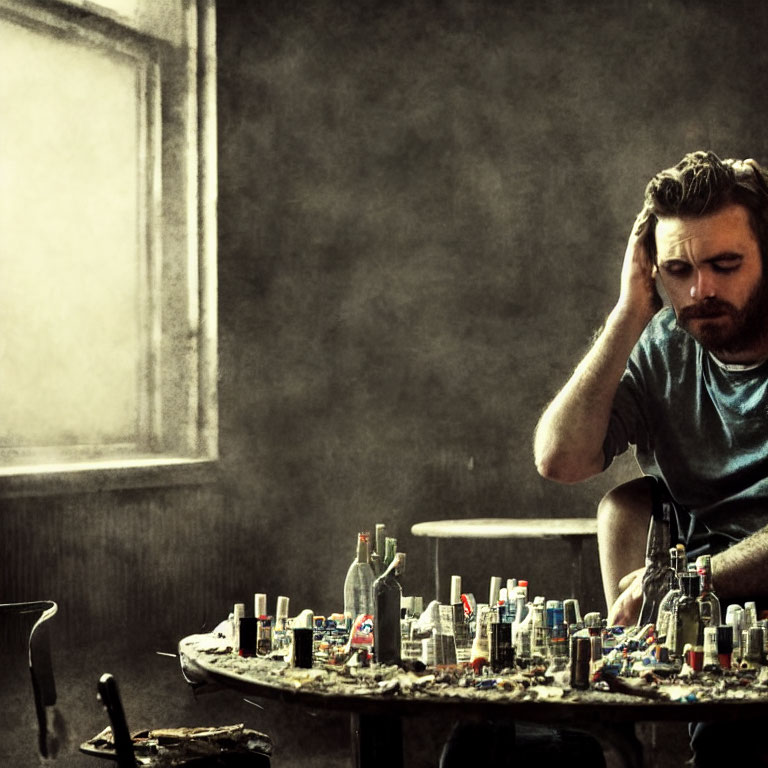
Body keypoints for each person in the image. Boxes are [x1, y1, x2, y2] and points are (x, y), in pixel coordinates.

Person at [534, 150, 768, 766]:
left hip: (732, 584)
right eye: (677, 269)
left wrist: (690, 582)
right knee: (485, 747)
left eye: (725, 264)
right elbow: (560, 458)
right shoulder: (664, 339)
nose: (701, 290)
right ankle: (627, 730)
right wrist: (629, 312)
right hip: (699, 602)